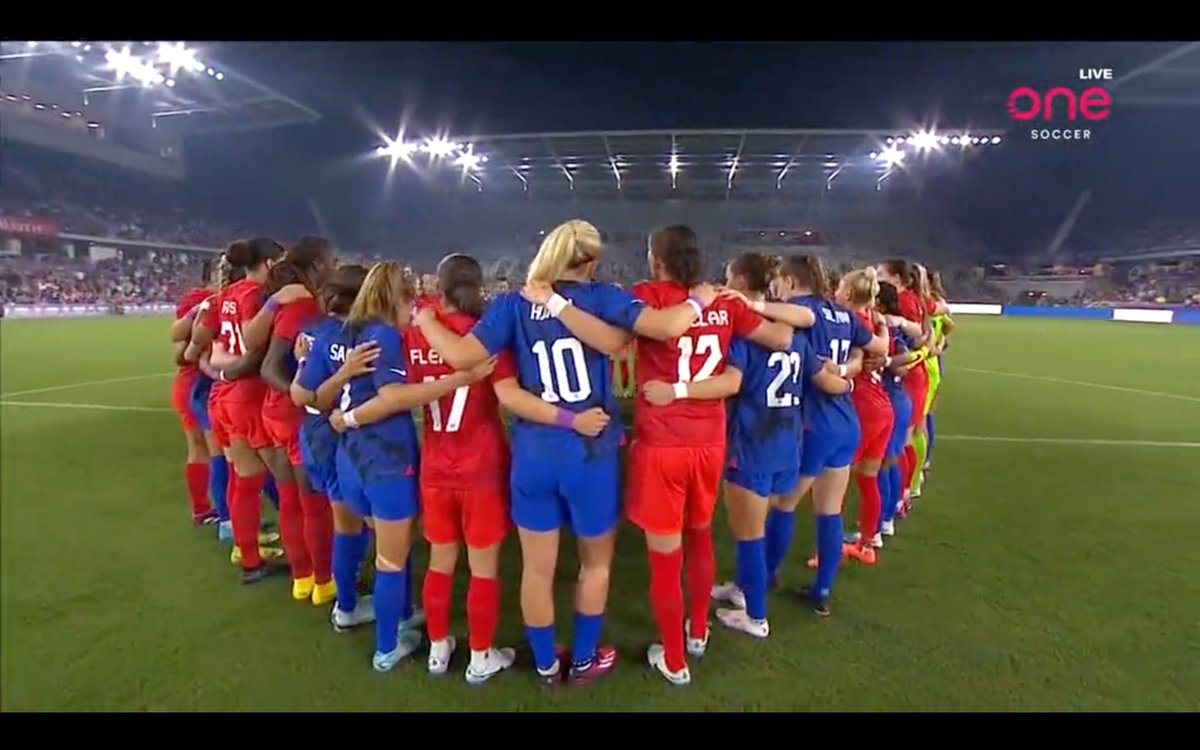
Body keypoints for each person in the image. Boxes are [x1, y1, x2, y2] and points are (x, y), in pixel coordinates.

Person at [414, 219, 718, 687]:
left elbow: (461, 357)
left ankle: (543, 663)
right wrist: (701, 297)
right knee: (594, 565)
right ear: (592, 261)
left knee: (537, 570)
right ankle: (582, 660)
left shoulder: (513, 305)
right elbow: (658, 328)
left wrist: (425, 319)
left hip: (534, 452)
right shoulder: (604, 297)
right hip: (591, 453)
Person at [526, 226, 793, 685]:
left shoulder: (647, 296)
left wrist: (550, 301)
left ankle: (673, 658)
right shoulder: (725, 302)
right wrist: (749, 304)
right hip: (709, 442)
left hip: (662, 445)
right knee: (701, 535)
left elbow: (609, 340)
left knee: (666, 556)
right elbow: (783, 339)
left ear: (655, 261)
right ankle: (696, 633)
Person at [327, 261, 494, 672]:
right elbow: (395, 396)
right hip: (406, 460)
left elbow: (309, 393)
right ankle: (393, 647)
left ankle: (425, 639)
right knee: (400, 560)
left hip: (363, 459)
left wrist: (340, 413)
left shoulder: (354, 333)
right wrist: (462, 378)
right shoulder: (399, 334)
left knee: (427, 556)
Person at [696, 253, 851, 639]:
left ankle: (756, 616)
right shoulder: (794, 335)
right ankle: (746, 589)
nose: (726, 284)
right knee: (765, 521)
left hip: (753, 441)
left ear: (744, 285)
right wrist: (849, 382)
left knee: (749, 534)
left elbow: (729, 383)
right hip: (787, 443)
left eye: (730, 278)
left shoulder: (744, 337)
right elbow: (826, 379)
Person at [405, 254, 520, 683]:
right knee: (483, 567)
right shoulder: (485, 335)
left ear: (440, 283)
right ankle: (480, 655)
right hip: (482, 464)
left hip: (436, 462)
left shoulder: (418, 334)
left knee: (440, 561)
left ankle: (437, 648)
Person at [757, 255, 888, 616]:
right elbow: (878, 348)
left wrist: (749, 302)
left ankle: (763, 577)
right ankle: (822, 592)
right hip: (847, 422)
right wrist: (854, 363)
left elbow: (801, 319)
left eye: (779, 283)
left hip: (815, 422)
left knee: (784, 505)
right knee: (830, 511)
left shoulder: (800, 310)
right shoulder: (843, 314)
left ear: (789, 280)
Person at [290, 266, 380, 634]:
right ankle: (354, 603)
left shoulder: (314, 332)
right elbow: (308, 395)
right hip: (340, 436)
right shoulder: (370, 338)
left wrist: (300, 364)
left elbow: (300, 393)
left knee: (349, 522)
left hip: (313, 433)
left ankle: (348, 596)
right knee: (365, 522)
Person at [259, 237, 338, 603]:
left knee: (291, 501)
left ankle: (302, 578)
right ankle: (322, 582)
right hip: (292, 416)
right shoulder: (303, 306)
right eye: (332, 261)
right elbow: (270, 365)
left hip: (275, 413)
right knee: (311, 504)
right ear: (319, 265)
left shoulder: (291, 301)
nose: (335, 267)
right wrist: (300, 395)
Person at [209, 237, 288, 583]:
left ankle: (249, 558)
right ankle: (311, 565)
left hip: (226, 396)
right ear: (270, 264)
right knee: (289, 485)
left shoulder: (229, 293)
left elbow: (217, 346)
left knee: (245, 479)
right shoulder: (259, 298)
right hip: (252, 396)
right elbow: (255, 347)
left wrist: (224, 368)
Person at [834, 268, 894, 564]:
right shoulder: (873, 320)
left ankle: (828, 550)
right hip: (882, 406)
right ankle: (868, 545)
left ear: (847, 293)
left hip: (862, 407)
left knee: (837, 481)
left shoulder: (851, 320)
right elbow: (882, 348)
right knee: (868, 477)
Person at [876, 260, 931, 506]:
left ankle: (905, 491)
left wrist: (918, 352)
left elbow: (919, 339)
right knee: (906, 438)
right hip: (910, 373)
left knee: (902, 442)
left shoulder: (904, 302)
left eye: (881, 273)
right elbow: (924, 334)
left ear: (896, 279)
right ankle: (906, 491)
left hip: (907, 377)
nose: (877, 278)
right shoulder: (913, 299)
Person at [170, 260, 218, 526]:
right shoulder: (200, 298)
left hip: (214, 381)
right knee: (203, 447)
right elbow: (177, 335)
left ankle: (224, 512)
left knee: (221, 451)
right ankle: (205, 510)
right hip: (195, 382)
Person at [922, 269, 954, 475]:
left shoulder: (927, 304)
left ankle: (922, 459)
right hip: (934, 360)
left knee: (921, 417)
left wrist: (938, 344)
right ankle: (925, 458)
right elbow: (950, 326)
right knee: (927, 414)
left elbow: (947, 327)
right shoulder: (939, 303)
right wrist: (941, 343)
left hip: (926, 361)